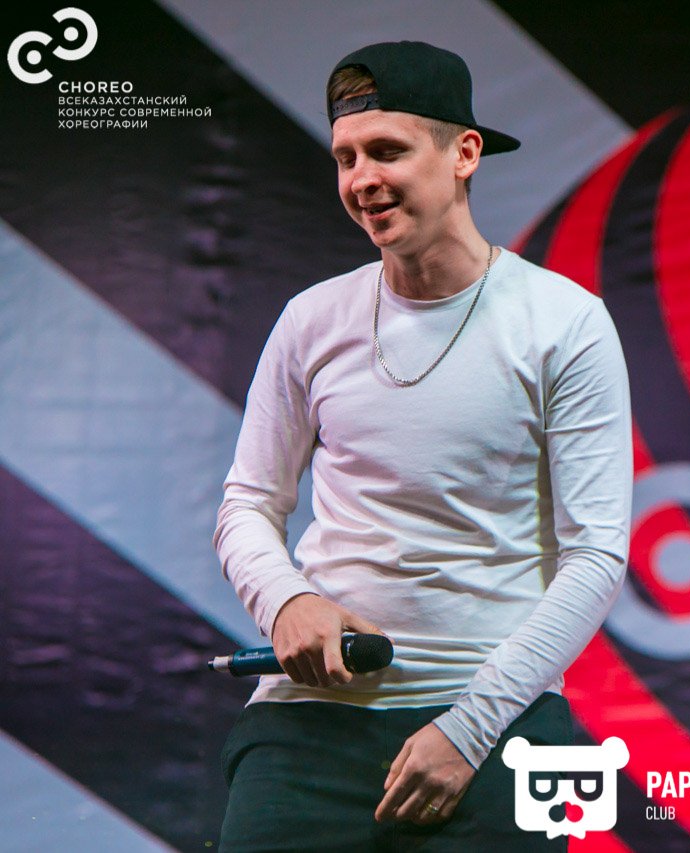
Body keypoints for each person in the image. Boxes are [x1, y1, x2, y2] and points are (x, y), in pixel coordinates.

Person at [213, 40, 632, 851]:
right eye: (345, 158)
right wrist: (286, 600)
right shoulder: (312, 319)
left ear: (464, 153)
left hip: (495, 718)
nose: (361, 179)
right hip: (312, 721)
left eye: (387, 151)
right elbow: (248, 503)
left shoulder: (564, 321)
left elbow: (596, 553)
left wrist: (470, 729)